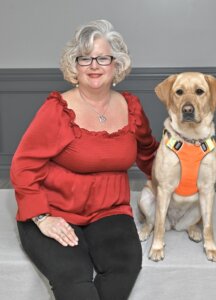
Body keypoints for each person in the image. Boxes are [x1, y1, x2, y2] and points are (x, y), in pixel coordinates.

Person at [10, 19, 159, 300]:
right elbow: (24, 165)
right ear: (74, 66)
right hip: (55, 208)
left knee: (123, 268)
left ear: (117, 64)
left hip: (109, 209)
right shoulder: (57, 110)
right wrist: (42, 218)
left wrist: (185, 165)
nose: (94, 65)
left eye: (103, 58)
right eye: (85, 59)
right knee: (74, 276)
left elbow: (149, 153)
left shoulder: (132, 108)